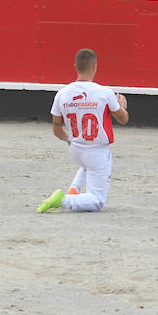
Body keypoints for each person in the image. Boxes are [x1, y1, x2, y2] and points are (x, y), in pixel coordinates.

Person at [37, 47, 131, 214]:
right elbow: (123, 119)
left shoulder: (62, 94)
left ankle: (74, 189)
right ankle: (63, 200)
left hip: (76, 149)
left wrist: (68, 140)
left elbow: (57, 128)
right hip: (97, 151)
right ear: (94, 66)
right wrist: (122, 105)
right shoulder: (105, 93)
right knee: (96, 201)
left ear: (75, 67)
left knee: (87, 165)